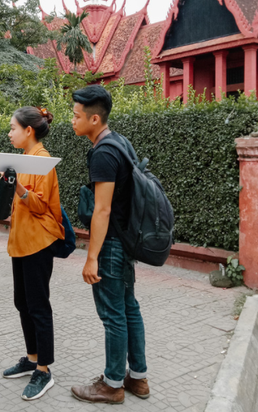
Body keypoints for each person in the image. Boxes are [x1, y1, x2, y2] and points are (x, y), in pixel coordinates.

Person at [69, 85, 149, 404]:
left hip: (112, 244)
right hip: (126, 240)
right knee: (129, 309)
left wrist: (91, 258)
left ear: (95, 118)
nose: (72, 120)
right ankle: (137, 379)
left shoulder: (103, 152)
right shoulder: (121, 142)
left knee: (114, 314)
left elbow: (101, 210)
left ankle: (113, 384)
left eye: (76, 116)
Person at [2, 106, 64, 400]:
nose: (9, 133)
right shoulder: (23, 159)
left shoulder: (42, 161)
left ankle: (44, 370)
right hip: (21, 243)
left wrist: (20, 191)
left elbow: (40, 205)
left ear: (29, 131)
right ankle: (32, 357)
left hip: (38, 243)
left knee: (38, 305)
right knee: (22, 301)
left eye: (13, 128)